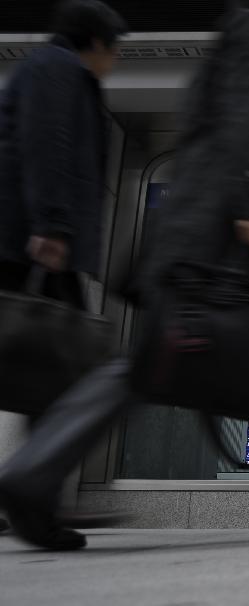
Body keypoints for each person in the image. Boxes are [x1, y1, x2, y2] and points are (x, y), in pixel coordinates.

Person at [0, 0, 249, 552]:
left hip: (201, 243)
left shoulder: (233, 41)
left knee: (160, 368)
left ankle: (35, 473)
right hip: (236, 246)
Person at [0, 0, 128, 545]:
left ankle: (37, 497)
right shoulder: (57, 70)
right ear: (94, 43)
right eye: (113, 51)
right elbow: (48, 145)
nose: (114, 62)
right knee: (75, 375)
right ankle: (34, 496)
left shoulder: (45, 69)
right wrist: (52, 226)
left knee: (57, 380)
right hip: (30, 246)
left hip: (30, 243)